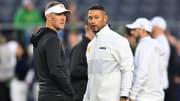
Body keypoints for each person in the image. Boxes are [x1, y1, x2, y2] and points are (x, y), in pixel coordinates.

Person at [83, 4, 134, 101]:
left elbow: (127, 69)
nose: (93, 21)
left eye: (96, 17)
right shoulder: (90, 46)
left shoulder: (118, 40)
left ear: (105, 18)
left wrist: (124, 96)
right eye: (90, 18)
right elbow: (91, 78)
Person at [30, 1, 74, 101]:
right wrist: (71, 91)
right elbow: (55, 70)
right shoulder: (52, 39)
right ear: (48, 17)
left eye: (64, 14)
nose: (63, 18)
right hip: (56, 95)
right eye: (58, 14)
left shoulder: (41, 37)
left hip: (44, 94)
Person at [126, 18, 164, 101]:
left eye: (134, 29)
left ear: (142, 30)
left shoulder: (144, 45)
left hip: (144, 96)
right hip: (155, 95)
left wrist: (133, 95)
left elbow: (141, 72)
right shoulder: (154, 44)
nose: (132, 32)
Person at [70, 24, 94, 101]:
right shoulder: (80, 48)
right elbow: (74, 70)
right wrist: (94, 70)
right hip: (80, 94)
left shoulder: (94, 46)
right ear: (87, 29)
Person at [151, 16, 170, 90]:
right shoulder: (160, 40)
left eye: (153, 26)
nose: (151, 28)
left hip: (158, 83)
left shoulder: (160, 42)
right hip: (159, 82)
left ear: (158, 27)